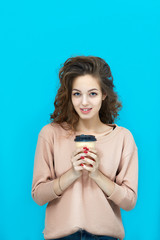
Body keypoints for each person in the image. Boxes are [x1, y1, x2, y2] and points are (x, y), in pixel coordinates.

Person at [31, 55, 138, 240]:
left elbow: (129, 202)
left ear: (104, 94)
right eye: (77, 94)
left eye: (93, 93)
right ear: (69, 95)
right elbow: (39, 196)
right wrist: (71, 173)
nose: (84, 102)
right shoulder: (50, 134)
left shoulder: (122, 138)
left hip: (105, 237)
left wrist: (97, 175)